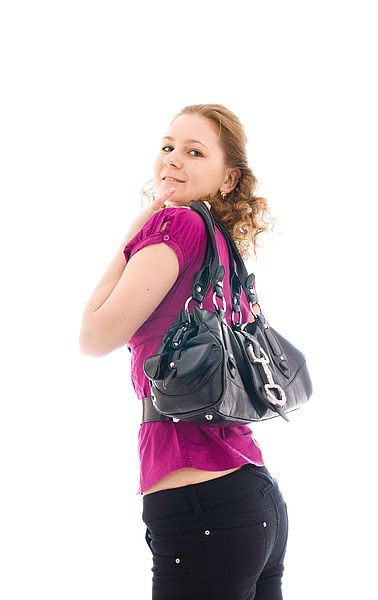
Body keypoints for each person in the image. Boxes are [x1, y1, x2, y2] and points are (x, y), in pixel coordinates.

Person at [79, 104, 289, 599]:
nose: (173, 159)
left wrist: (131, 237)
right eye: (168, 146)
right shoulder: (221, 245)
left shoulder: (178, 228)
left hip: (202, 508)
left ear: (228, 178)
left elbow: (93, 337)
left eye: (194, 152)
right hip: (256, 501)